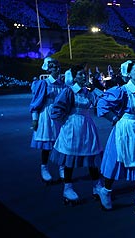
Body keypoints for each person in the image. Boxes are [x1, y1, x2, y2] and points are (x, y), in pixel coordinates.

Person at [96, 60, 135, 213]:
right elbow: (102, 104)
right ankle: (106, 191)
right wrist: (114, 119)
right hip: (125, 129)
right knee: (117, 162)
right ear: (128, 73)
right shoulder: (122, 90)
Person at [50, 65, 103, 205]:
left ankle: (97, 186)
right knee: (70, 157)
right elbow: (56, 109)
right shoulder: (69, 92)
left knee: (91, 156)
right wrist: (65, 123)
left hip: (87, 125)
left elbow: (98, 104)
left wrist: (98, 93)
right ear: (74, 77)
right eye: (80, 74)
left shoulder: (87, 92)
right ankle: (68, 188)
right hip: (72, 126)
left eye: (85, 74)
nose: (84, 76)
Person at [30, 57, 66, 184]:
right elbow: (36, 102)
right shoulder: (44, 84)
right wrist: (35, 119)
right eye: (54, 67)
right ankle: (44, 167)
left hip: (60, 115)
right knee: (47, 145)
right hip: (47, 114)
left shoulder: (63, 84)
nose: (57, 69)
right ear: (49, 69)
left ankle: (62, 167)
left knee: (61, 143)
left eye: (58, 67)